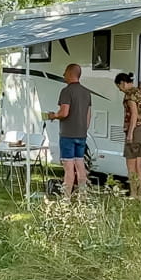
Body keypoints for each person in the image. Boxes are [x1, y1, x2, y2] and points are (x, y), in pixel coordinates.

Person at [47, 64, 92, 196]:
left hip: (68, 135)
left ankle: (66, 198)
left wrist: (53, 116)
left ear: (71, 74)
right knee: (80, 164)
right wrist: (84, 128)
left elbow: (64, 112)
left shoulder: (66, 91)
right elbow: (88, 114)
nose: (63, 75)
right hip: (82, 134)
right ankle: (82, 196)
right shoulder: (86, 92)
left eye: (65, 72)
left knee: (68, 168)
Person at [115, 72, 141, 200]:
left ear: (122, 83)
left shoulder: (129, 95)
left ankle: (133, 193)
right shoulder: (140, 92)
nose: (120, 89)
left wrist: (130, 133)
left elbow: (134, 114)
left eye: (119, 87)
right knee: (139, 166)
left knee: (131, 166)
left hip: (136, 132)